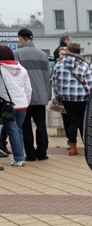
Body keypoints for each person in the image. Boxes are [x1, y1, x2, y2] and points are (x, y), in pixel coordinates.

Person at [51, 42, 92, 156]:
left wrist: (58, 95)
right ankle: (87, 147)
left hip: (66, 97)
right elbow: (90, 83)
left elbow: (54, 82)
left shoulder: (59, 64)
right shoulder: (84, 65)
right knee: (83, 122)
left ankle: (72, 147)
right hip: (82, 97)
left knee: (72, 122)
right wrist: (91, 95)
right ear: (79, 53)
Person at [14, 28, 51, 161]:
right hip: (41, 96)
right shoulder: (43, 55)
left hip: (24, 96)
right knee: (41, 125)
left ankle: (30, 154)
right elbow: (47, 77)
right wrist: (47, 95)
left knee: (26, 126)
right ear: (32, 38)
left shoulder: (16, 54)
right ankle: (42, 153)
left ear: (20, 38)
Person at [0, 45, 32, 167]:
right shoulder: (22, 69)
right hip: (22, 105)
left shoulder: (1, 69)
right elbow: (28, 88)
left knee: (13, 131)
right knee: (17, 130)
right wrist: (26, 102)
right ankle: (20, 156)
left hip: (7, 105)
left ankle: (19, 158)